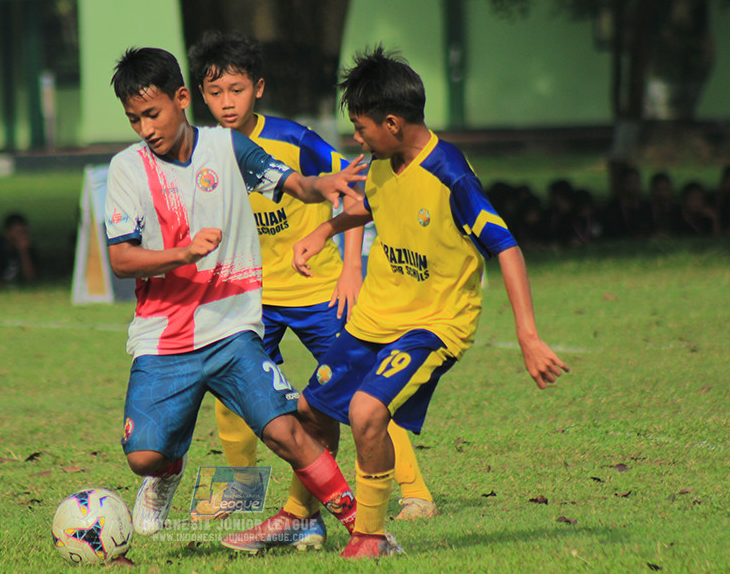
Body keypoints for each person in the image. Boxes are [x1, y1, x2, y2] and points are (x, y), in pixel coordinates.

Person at [226, 48, 569, 559]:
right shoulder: (383, 162)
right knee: (311, 409)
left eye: (361, 128)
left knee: (366, 412)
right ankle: (299, 519)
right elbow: (367, 205)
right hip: (375, 316)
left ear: (392, 122)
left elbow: (508, 248)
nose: (356, 139)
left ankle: (372, 537)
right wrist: (324, 230)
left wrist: (528, 335)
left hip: (435, 325)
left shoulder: (449, 174)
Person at [103, 46, 368, 545]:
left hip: (231, 328)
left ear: (181, 99)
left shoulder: (228, 149)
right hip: (163, 336)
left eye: (152, 114)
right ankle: (168, 470)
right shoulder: (126, 169)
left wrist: (323, 183)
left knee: (285, 433)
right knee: (144, 456)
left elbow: (295, 184)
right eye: (134, 119)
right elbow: (121, 260)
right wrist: (182, 253)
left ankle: (365, 529)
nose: (145, 129)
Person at [187, 32, 435, 538]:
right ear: (199, 95)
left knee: (363, 390)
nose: (226, 102)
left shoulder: (293, 140)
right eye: (215, 93)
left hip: (318, 292)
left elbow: (354, 187)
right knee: (230, 390)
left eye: (236, 89)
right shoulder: (202, 152)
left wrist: (350, 268)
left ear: (258, 88)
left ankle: (415, 493)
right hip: (250, 300)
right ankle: (243, 488)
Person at [2, 212, 38, 285]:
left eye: (24, 232)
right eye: (18, 232)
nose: (21, 236)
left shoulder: (29, 252)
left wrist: (24, 252)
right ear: (7, 233)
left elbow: (30, 279)